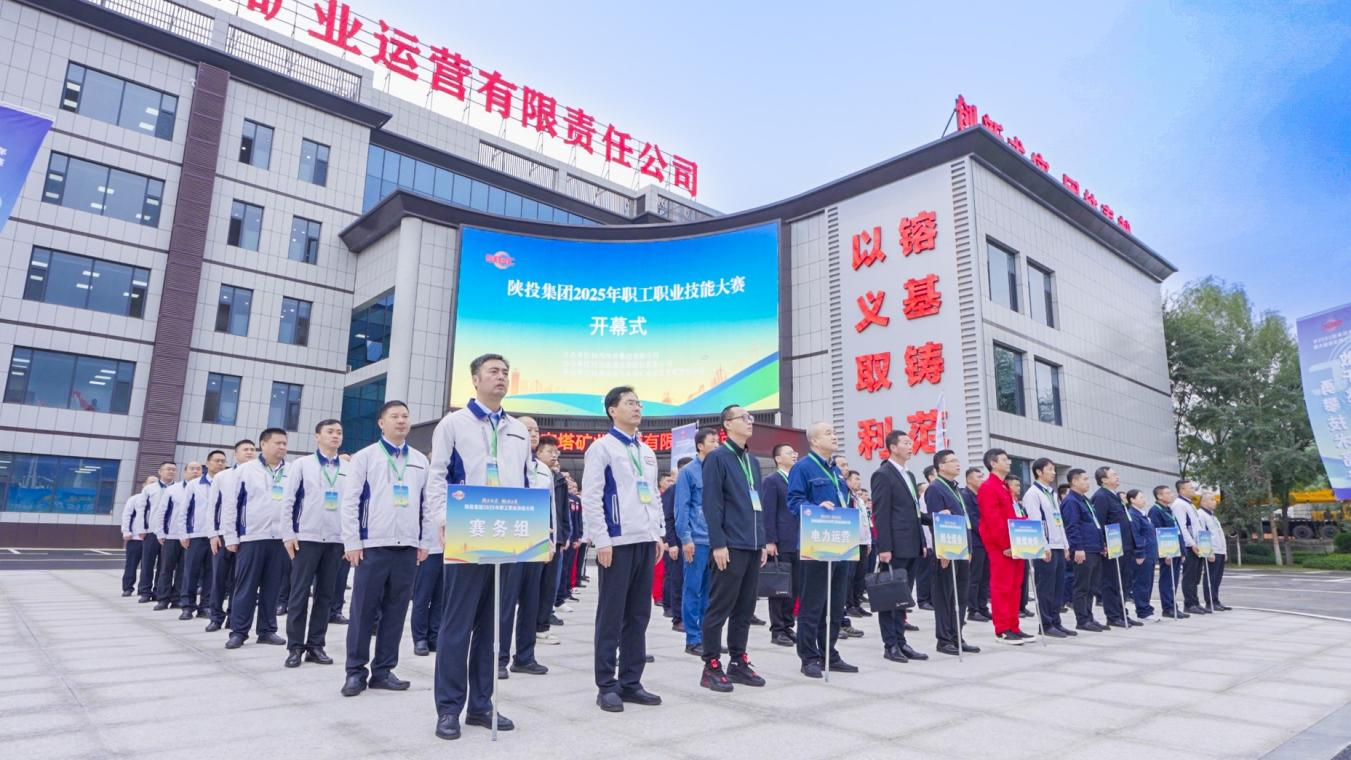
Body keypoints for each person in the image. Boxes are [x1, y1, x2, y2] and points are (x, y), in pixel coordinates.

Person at [429, 355, 533, 738]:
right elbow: (437, 475)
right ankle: (449, 708)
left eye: (505, 372)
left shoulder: (518, 430)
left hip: (508, 533)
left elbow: (526, 480)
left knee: (493, 626)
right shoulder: (453, 424)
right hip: (467, 528)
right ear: (475, 379)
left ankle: (481, 705)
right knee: (457, 625)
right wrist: (441, 518)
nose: (501, 377)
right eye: (493, 372)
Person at [581, 385, 666, 713]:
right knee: (611, 615)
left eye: (639, 403)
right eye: (630, 403)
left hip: (645, 541)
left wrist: (658, 534)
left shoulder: (646, 451)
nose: (637, 408)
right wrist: (601, 539)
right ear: (612, 410)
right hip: (617, 544)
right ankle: (606, 685)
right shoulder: (602, 448)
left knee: (639, 615)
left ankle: (631, 681)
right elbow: (592, 496)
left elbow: (653, 495)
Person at [340, 402, 431, 699]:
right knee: (363, 611)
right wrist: (352, 542)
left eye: (405, 416)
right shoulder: (365, 457)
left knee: (396, 610)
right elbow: (350, 502)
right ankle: (355, 671)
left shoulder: (419, 460)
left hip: (407, 546)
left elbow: (427, 504)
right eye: (394, 416)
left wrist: (424, 541)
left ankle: (383, 671)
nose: (401, 421)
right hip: (372, 546)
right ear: (381, 423)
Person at [697, 404, 767, 692]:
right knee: (719, 607)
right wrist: (718, 543)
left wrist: (762, 541)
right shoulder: (717, 458)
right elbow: (712, 504)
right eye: (743, 418)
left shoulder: (752, 462)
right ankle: (711, 665)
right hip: (730, 545)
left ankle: (738, 661)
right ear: (727, 424)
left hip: (752, 545)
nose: (750, 422)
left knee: (745, 608)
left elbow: (758, 505)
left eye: (751, 417)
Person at [786, 422, 860, 678]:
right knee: (813, 603)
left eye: (834, 432)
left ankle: (829, 652)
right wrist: (816, 508)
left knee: (836, 603)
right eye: (828, 433)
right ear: (814, 441)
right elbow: (794, 502)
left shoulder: (835, 470)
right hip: (816, 544)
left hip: (841, 544)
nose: (834, 436)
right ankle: (809, 656)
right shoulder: (803, 468)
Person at [280, 419, 348, 668]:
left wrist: (349, 539)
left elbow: (352, 504)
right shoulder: (302, 464)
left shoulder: (348, 468)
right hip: (306, 538)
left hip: (335, 540)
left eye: (339, 432)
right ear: (317, 436)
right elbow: (288, 501)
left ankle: (316, 645)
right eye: (330, 432)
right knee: (299, 593)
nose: (335, 436)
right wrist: (288, 534)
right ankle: (295, 646)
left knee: (325, 595)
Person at [221, 431, 290, 649]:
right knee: (246, 587)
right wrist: (230, 536)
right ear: (264, 444)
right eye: (277, 443)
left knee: (272, 587)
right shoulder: (245, 470)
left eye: (285, 443)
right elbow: (231, 504)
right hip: (251, 536)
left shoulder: (291, 471)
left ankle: (267, 630)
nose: (282, 447)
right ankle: (239, 631)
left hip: (280, 539)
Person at [497, 414, 552, 678]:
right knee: (505, 602)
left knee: (531, 601)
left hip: (536, 538)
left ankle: (525, 657)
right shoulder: (504, 463)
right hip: (509, 538)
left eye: (536, 430)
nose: (533, 434)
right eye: (527, 430)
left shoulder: (542, 470)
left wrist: (551, 540)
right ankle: (498, 658)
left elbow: (550, 507)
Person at [870, 431, 930, 663]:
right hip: (894, 547)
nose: (910, 446)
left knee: (902, 597)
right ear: (893, 447)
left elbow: (914, 512)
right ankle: (891, 645)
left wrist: (922, 542)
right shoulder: (883, 474)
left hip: (912, 545)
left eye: (911, 442)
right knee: (890, 596)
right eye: (905, 443)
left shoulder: (909, 475)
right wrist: (884, 547)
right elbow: (881, 513)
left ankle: (901, 641)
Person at [923, 450, 980, 656]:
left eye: (957, 459)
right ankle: (944, 639)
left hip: (962, 548)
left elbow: (965, 522)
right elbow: (936, 522)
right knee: (944, 595)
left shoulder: (956, 488)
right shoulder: (935, 489)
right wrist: (943, 551)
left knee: (961, 596)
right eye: (952, 461)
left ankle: (957, 635)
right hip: (947, 551)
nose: (957, 463)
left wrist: (969, 549)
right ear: (941, 466)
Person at [976, 449, 1033, 645]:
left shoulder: (1004, 487)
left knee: (1015, 587)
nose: (1008, 462)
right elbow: (993, 520)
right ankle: (1002, 629)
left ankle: (1014, 626)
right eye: (1004, 459)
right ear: (993, 463)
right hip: (1001, 546)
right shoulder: (988, 487)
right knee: (1002, 587)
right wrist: (1005, 545)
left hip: (1015, 544)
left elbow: (1013, 516)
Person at [204, 440, 256, 632]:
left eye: (252, 450)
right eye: (245, 449)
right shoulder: (223, 476)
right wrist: (213, 534)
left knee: (241, 580)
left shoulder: (259, 475)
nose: (249, 452)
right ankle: (216, 617)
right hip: (223, 535)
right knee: (219, 578)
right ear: (236, 454)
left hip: (247, 536)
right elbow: (213, 506)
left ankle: (234, 617)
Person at [676, 427, 718, 657]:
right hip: (697, 540)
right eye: (713, 441)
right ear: (700, 446)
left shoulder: (718, 470)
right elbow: (682, 507)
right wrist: (686, 538)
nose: (717, 445)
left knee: (710, 592)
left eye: (718, 441)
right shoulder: (688, 472)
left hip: (716, 541)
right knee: (693, 589)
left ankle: (707, 637)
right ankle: (692, 638)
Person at [1022, 458, 1074, 638]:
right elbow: (1035, 521)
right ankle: (1045, 624)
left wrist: (1065, 545)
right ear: (1039, 472)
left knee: (1058, 586)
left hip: (1058, 545)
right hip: (1046, 547)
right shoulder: (1033, 493)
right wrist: (1043, 546)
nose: (1053, 472)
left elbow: (1059, 522)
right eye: (1050, 469)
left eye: (1054, 469)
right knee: (1046, 588)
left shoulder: (1051, 493)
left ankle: (1056, 621)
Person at [177, 451, 227, 619]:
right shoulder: (194, 484)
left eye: (223, 461)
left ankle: (205, 606)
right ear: (208, 463)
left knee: (212, 573)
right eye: (216, 460)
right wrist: (183, 533)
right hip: (196, 534)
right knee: (191, 571)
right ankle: (187, 606)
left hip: (218, 535)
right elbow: (184, 510)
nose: (220, 464)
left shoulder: (227, 483)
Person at [1092, 467, 1140, 628]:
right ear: (1104, 480)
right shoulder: (1101, 497)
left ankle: (1122, 612)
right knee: (1111, 582)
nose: (1118, 477)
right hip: (1112, 547)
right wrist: (1103, 544)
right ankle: (1113, 616)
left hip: (1125, 545)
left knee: (1124, 582)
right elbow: (1099, 522)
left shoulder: (1115, 496)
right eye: (1114, 475)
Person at [761, 442, 799, 647]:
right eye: (789, 452)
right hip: (781, 541)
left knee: (794, 587)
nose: (794, 455)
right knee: (779, 587)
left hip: (798, 541)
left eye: (794, 452)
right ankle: (777, 630)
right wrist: (770, 540)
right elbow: (768, 512)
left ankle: (788, 626)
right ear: (777, 459)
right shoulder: (772, 481)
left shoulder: (797, 480)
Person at [1061, 469, 1108, 632]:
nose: (1088, 482)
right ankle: (1082, 620)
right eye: (1085, 479)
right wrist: (1078, 548)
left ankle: (1089, 616)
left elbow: (1094, 524)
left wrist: (1101, 544)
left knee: (1091, 586)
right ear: (1074, 482)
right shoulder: (1071, 501)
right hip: (1084, 549)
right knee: (1081, 586)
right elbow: (1072, 526)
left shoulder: (1084, 500)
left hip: (1094, 548)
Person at [152, 461, 200, 611]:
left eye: (198, 469)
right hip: (172, 535)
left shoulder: (202, 489)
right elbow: (162, 511)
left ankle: (177, 598)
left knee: (184, 571)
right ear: (185, 472)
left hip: (191, 536)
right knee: (166, 569)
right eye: (192, 469)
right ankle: (162, 599)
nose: (195, 471)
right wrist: (160, 532)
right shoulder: (173, 489)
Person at [535, 437, 568, 644]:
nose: (554, 455)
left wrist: (564, 535)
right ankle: (532, 627)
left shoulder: (558, 478)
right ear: (538, 453)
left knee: (549, 586)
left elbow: (562, 510)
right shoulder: (532, 472)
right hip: (535, 536)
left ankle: (542, 625)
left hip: (555, 538)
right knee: (534, 587)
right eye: (550, 451)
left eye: (556, 451)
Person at [1148, 486, 1190, 619]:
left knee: (1174, 580)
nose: (1171, 495)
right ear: (1159, 496)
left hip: (1175, 549)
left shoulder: (1168, 510)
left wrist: (1182, 551)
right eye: (1167, 493)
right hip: (1167, 551)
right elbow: (1156, 533)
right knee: (1167, 580)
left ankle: (1173, 606)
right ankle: (1168, 608)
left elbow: (1177, 531)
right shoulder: (1155, 511)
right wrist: (1165, 553)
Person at [137, 462, 176, 602]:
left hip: (169, 533)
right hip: (151, 532)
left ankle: (159, 591)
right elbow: (142, 509)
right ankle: (145, 591)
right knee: (147, 562)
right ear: (160, 471)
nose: (171, 471)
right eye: (168, 469)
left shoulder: (178, 488)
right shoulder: (149, 489)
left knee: (165, 565)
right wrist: (141, 529)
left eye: (173, 469)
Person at [1171, 480, 1209, 615]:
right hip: (1189, 546)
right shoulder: (1179, 505)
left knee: (1196, 576)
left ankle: (1195, 602)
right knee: (1189, 576)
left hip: (1198, 545)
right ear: (1182, 490)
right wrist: (1191, 544)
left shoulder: (1190, 504)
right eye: (1190, 488)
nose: (1194, 490)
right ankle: (1189, 604)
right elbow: (1182, 527)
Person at [1125, 489, 1160, 622]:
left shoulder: (1143, 514)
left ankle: (1146, 608)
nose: (1144, 499)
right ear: (1132, 500)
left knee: (1147, 582)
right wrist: (1139, 553)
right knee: (1141, 583)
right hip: (1142, 555)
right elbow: (1136, 535)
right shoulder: (1133, 515)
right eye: (1140, 497)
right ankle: (1143, 611)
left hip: (1150, 553)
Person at [120, 477, 158, 597]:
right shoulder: (135, 499)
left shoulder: (159, 499)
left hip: (151, 537)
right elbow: (127, 515)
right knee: (131, 564)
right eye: (151, 482)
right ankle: (128, 588)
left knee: (147, 565)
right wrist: (126, 531)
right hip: (136, 538)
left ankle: (144, 589)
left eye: (156, 483)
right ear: (144, 485)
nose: (153, 485)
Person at [961, 468, 990, 622]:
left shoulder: (981, 496)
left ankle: (982, 607)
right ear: (969, 480)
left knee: (985, 577)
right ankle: (973, 610)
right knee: (975, 577)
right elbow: (973, 520)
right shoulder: (965, 496)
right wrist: (987, 533)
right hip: (975, 541)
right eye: (978, 477)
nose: (982, 479)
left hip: (985, 541)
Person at [661, 462, 685, 633]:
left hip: (695, 541)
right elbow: (668, 518)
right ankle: (677, 618)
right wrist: (671, 542)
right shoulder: (673, 490)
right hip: (677, 542)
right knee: (677, 580)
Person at [1006, 474, 1034, 619]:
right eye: (1015, 485)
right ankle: (1015, 608)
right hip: (1013, 543)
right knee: (1013, 580)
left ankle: (1022, 605)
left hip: (1023, 543)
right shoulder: (1007, 503)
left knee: (1024, 576)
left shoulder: (1018, 503)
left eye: (1019, 485)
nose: (1018, 487)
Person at [1197, 492, 1230, 611]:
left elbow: (1220, 535)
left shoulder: (1213, 517)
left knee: (1217, 578)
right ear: (1203, 502)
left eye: (1214, 499)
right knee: (1211, 577)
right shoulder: (1200, 515)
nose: (1214, 502)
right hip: (1212, 551)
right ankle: (1210, 601)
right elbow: (1202, 534)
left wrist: (1224, 551)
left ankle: (1216, 600)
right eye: (1211, 499)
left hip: (1219, 550)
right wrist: (1208, 552)